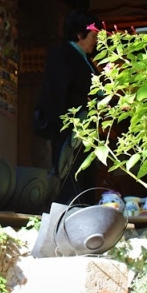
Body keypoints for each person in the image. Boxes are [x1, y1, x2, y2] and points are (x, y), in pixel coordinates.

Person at [36, 10, 99, 204]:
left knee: (84, 175)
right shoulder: (63, 55)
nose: (96, 40)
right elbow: (56, 95)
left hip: (84, 130)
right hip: (69, 130)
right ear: (80, 34)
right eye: (93, 35)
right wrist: (61, 127)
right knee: (70, 176)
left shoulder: (84, 59)